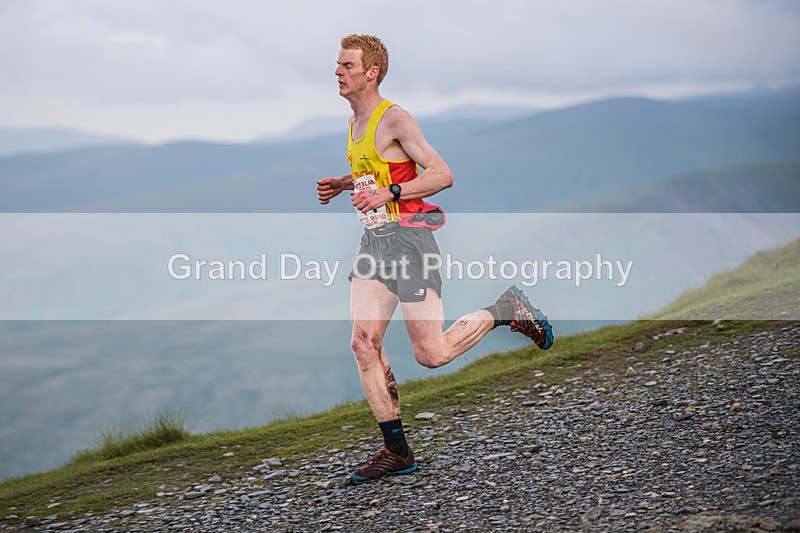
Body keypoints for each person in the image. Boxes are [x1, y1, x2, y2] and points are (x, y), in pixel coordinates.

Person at [316, 34, 553, 485]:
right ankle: (397, 451)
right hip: (375, 245)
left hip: (411, 242)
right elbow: (382, 169)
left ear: (372, 72)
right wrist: (346, 183)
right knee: (363, 343)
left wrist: (390, 193)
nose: (337, 72)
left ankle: (506, 310)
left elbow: (442, 174)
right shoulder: (354, 120)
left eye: (347, 65)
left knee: (431, 353)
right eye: (338, 64)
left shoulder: (395, 118)